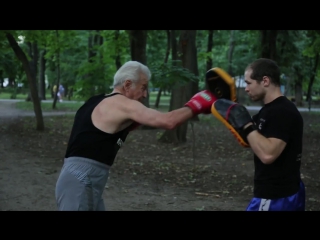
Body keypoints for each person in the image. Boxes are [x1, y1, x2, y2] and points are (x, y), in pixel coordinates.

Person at [55, 60, 219, 211]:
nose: (145, 94)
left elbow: (101, 135)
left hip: (80, 179)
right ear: (127, 85)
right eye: (143, 87)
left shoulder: (97, 101)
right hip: (82, 181)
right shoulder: (122, 104)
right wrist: (196, 104)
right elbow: (168, 121)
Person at [212, 58, 305, 211]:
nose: (246, 89)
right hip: (283, 193)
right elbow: (251, 139)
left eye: (249, 83)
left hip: (276, 197)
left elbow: (268, 154)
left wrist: (246, 123)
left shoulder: (282, 112)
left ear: (265, 81)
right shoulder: (269, 110)